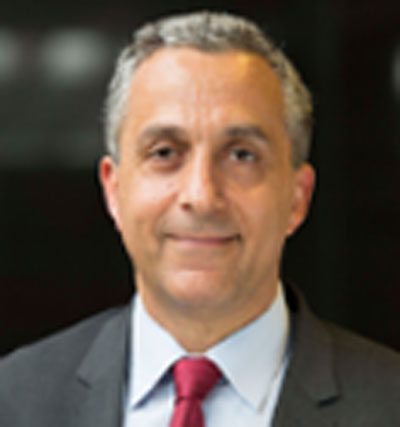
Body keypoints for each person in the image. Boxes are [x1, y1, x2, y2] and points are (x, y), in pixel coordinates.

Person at [1, 10, 400, 427]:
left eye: (242, 155)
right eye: (165, 153)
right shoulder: (12, 401)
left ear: (297, 197)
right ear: (114, 190)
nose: (202, 196)